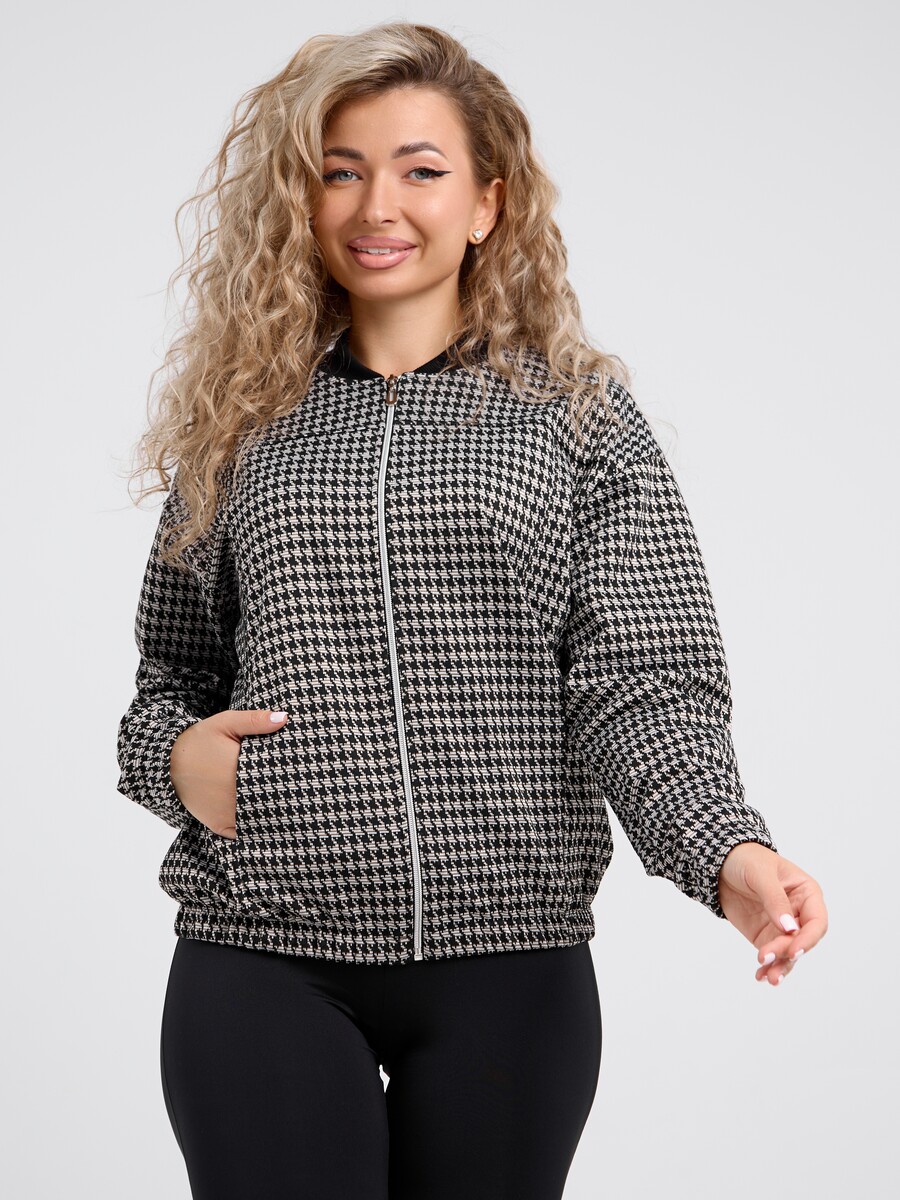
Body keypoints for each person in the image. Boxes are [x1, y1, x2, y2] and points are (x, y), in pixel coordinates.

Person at [116, 20, 828, 1200]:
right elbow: (167, 684)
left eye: (420, 170)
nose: (376, 206)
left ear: (488, 203)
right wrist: (178, 764)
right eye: (340, 171)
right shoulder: (241, 428)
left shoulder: (578, 418)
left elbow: (645, 682)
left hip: (511, 963)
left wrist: (727, 852)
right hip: (261, 953)